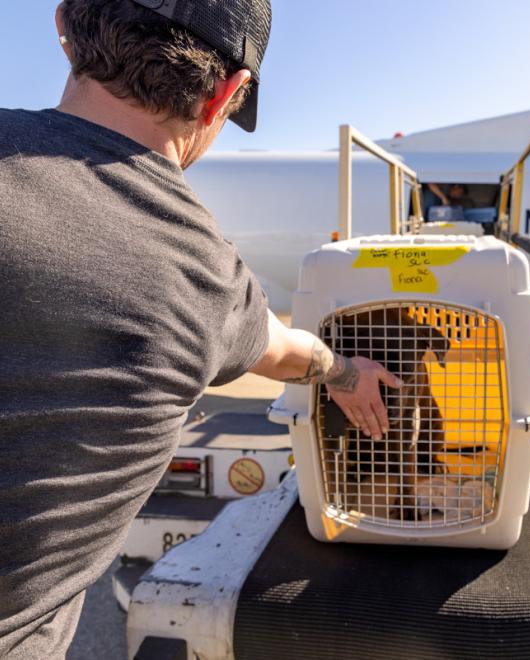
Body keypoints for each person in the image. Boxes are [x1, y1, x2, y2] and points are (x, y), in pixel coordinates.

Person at [0, 2, 400, 658]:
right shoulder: (207, 282)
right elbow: (285, 348)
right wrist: (347, 374)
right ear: (225, 96)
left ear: (65, 29)